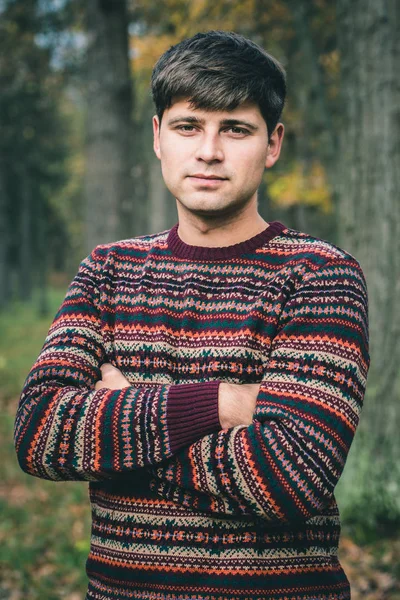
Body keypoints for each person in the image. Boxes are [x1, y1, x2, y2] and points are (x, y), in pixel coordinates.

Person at [14, 31, 369, 600]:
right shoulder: (108, 270)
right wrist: (220, 403)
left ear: (273, 144)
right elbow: (39, 433)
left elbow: (291, 478)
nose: (209, 151)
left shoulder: (318, 276)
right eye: (188, 126)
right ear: (158, 137)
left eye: (236, 128)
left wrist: (123, 425)